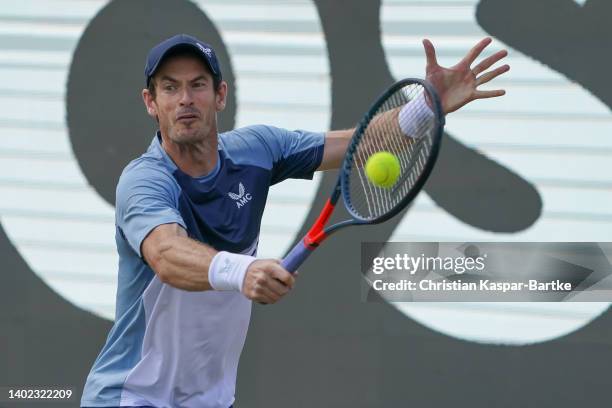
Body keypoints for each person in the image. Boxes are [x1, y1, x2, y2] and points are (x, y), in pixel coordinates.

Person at [80, 34, 508, 408]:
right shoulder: (145, 179)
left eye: (198, 86)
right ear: (151, 103)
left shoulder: (257, 149)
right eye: (170, 88)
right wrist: (242, 270)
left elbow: (359, 144)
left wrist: (427, 108)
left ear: (221, 95)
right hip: (131, 396)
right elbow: (165, 254)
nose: (185, 99)